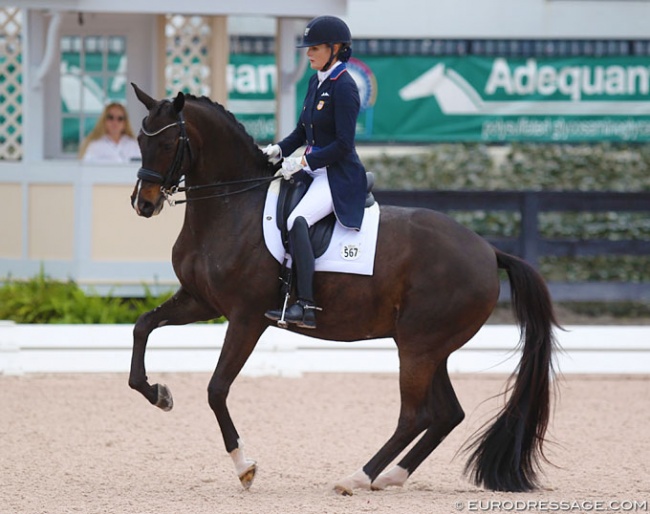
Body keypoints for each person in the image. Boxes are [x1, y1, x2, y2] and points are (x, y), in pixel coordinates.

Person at [264, 15, 368, 330]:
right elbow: (301, 132)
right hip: (313, 171)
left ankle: (306, 305)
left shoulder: (345, 87)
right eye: (308, 48)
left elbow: (343, 145)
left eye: (315, 48)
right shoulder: (316, 81)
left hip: (336, 176)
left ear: (335, 50)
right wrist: (279, 150)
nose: (308, 53)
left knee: (299, 220)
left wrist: (304, 163)